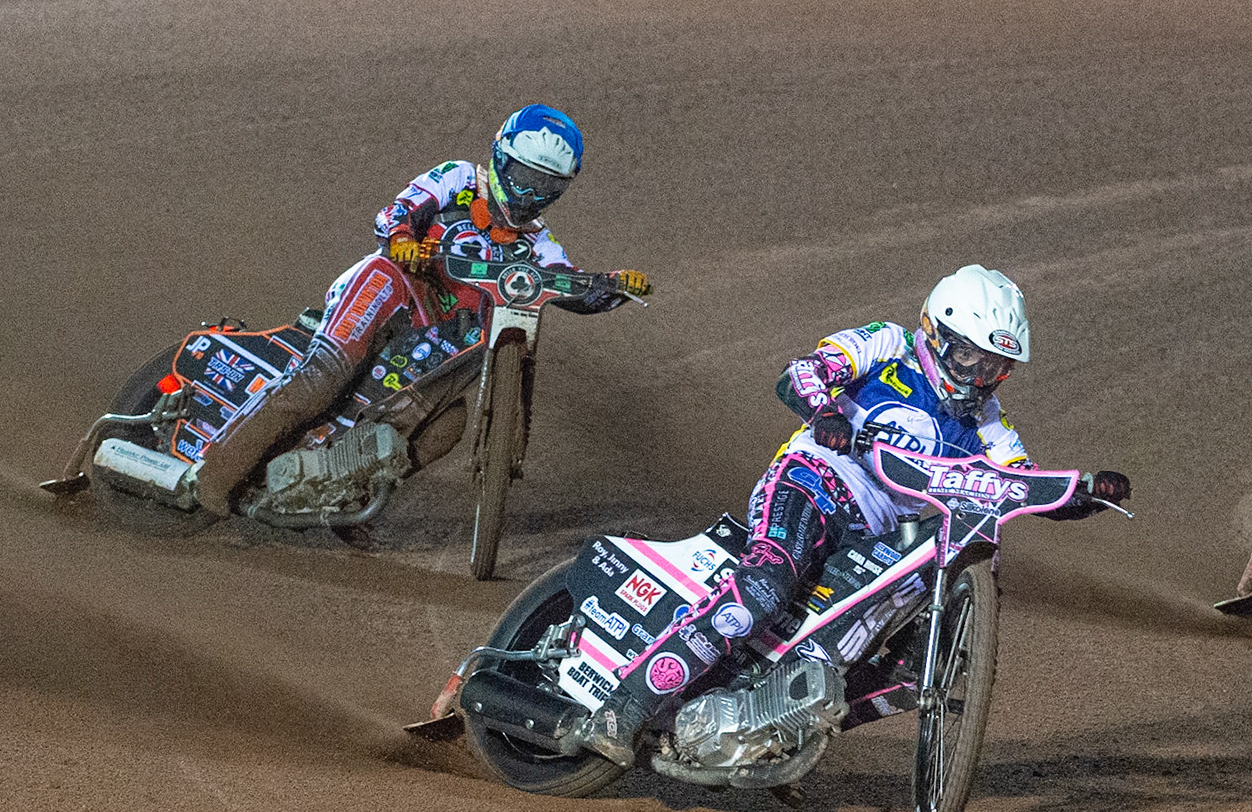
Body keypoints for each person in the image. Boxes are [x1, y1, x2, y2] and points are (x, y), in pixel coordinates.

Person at [571, 264, 1133, 766]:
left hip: (879, 539)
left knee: (908, 669)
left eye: (995, 367)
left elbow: (1018, 482)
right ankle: (625, 708)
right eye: (968, 358)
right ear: (937, 334)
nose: (977, 378)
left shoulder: (989, 423)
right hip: (815, 482)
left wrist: (1082, 493)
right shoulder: (887, 345)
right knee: (765, 587)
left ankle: (781, 736)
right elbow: (802, 372)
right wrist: (824, 413)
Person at [192, 103, 651, 515]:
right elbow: (397, 211)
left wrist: (612, 287)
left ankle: (345, 494)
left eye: (545, 186)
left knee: (446, 428)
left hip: (435, 344)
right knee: (322, 379)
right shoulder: (458, 180)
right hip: (390, 291)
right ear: (500, 157)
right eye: (524, 177)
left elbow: (567, 287)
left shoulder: (539, 243)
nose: (530, 194)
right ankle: (213, 476)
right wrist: (403, 241)